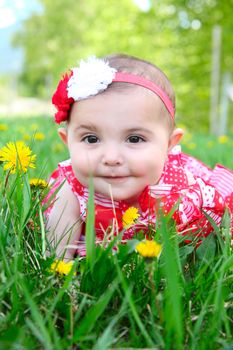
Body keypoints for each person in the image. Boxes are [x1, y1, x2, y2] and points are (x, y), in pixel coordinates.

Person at [45, 54, 233, 260]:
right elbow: (56, 257)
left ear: (169, 144)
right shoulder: (73, 189)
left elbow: (211, 239)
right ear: (68, 141)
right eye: (91, 139)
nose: (111, 157)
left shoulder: (178, 189)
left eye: (134, 139)